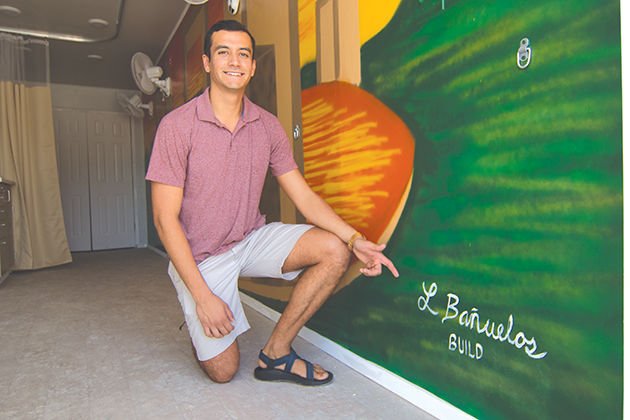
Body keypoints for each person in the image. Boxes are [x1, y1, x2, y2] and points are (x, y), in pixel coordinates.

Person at [146, 19, 399, 386]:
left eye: (243, 54)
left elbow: (303, 196)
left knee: (334, 250)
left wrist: (355, 239)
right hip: (201, 257)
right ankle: (195, 314)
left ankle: (277, 353)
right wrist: (202, 298)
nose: (234, 61)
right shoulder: (176, 126)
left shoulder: (267, 126)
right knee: (223, 371)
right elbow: (164, 219)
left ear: (252, 66)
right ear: (207, 63)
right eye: (223, 52)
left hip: (250, 238)